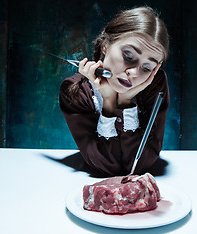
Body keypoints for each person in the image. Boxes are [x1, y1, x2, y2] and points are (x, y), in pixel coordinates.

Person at [59, 6, 170, 177]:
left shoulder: (155, 86)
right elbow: (105, 165)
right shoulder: (75, 91)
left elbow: (139, 165)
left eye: (147, 67)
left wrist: (125, 102)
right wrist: (109, 103)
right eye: (128, 56)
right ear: (105, 45)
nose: (133, 73)